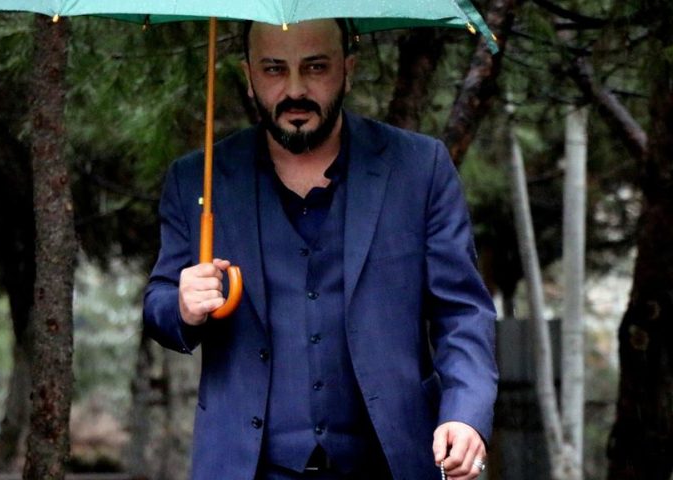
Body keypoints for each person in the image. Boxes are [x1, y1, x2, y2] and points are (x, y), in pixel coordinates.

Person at [143, 18, 498, 480]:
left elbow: (463, 312)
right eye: (274, 69)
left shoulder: (419, 168)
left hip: (393, 464)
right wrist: (183, 306)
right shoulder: (198, 179)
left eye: (315, 67)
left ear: (348, 70)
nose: (295, 89)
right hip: (246, 468)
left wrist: (465, 413)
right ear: (248, 76)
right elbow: (159, 308)